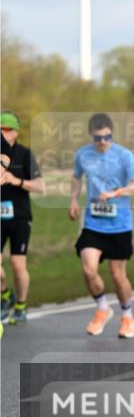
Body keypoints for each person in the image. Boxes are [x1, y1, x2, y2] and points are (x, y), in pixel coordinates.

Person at [69, 113, 134, 338]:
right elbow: (76, 177)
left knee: (117, 273)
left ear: (112, 134)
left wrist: (117, 192)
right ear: (91, 135)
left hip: (120, 224)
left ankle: (127, 316)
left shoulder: (124, 155)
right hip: (93, 223)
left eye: (107, 137)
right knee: (88, 269)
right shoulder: (82, 154)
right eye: (98, 138)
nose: (103, 142)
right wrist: (73, 199)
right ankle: (103, 308)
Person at [0, 111, 44, 326]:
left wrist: (16, 181)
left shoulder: (25, 155)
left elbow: (40, 186)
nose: (2, 133)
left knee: (18, 264)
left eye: (6, 129)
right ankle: (5, 295)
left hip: (19, 217)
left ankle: (21, 305)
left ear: (16, 132)